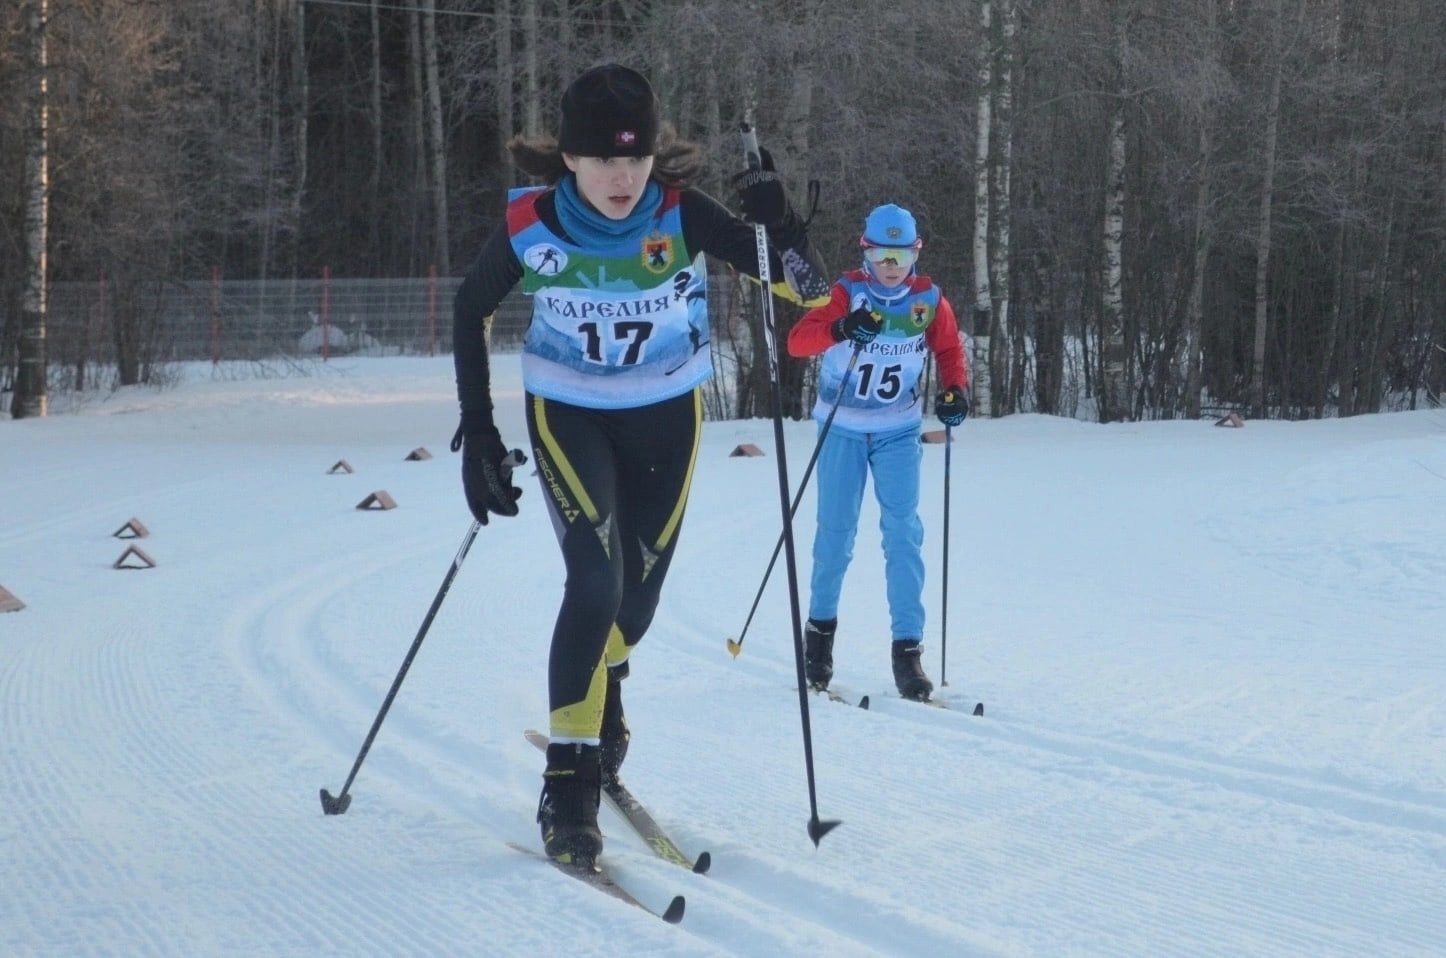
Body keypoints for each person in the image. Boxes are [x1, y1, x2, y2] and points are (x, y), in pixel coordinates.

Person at [450, 63, 830, 869]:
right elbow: (470, 305)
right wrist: (478, 428)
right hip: (569, 413)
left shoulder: (682, 214)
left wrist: (782, 228)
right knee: (592, 580)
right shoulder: (533, 224)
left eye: (636, 159)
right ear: (570, 160)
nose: (622, 178)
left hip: (666, 416)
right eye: (601, 161)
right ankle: (569, 781)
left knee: (635, 604)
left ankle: (608, 681)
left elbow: (806, 293)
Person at [785, 203, 969, 702]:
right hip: (842, 427)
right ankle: (818, 640)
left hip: (897, 430)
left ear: (916, 253)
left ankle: (907, 653)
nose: (892, 265)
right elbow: (798, 343)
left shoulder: (928, 301)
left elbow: (949, 350)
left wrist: (955, 390)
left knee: (903, 534)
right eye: (882, 254)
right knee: (835, 534)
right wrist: (841, 329)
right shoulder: (846, 294)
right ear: (865, 252)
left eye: (902, 254)